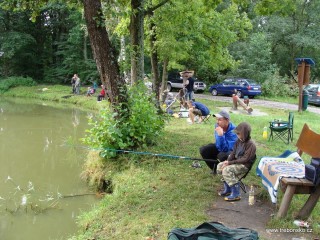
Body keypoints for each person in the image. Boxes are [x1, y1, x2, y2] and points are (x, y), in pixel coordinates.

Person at [216, 122, 256, 201]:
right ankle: (228, 189)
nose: (237, 135)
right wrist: (227, 162)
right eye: (237, 133)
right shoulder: (238, 141)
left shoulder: (251, 145)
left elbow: (245, 159)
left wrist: (230, 163)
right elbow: (233, 153)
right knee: (220, 166)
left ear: (244, 133)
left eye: (238, 133)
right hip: (236, 163)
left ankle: (236, 194)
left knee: (227, 170)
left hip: (244, 165)